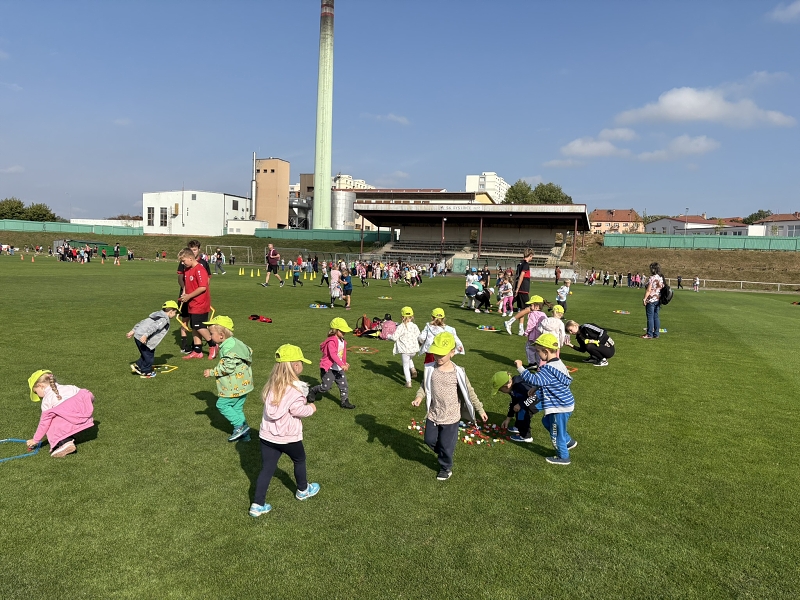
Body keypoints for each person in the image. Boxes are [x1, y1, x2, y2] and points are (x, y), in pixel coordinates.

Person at [249, 344, 319, 517]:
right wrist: (311, 408)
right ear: (296, 366)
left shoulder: (272, 386)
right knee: (299, 459)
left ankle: (257, 505)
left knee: (267, 468)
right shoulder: (296, 390)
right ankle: (303, 490)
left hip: (267, 437)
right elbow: (297, 410)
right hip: (289, 438)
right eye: (301, 362)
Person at [411, 332, 488, 480]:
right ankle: (444, 454)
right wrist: (419, 397)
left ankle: (446, 468)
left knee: (446, 445)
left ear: (452, 352)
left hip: (451, 416)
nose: (438, 358)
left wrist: (480, 409)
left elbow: (470, 392)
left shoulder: (458, 372)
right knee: (429, 440)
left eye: (442, 355)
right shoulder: (430, 369)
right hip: (434, 413)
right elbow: (424, 386)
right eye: (436, 354)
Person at [513, 333, 576, 465]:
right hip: (565, 404)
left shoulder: (548, 368)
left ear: (546, 352)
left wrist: (520, 367)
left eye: (538, 351)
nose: (538, 354)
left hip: (560, 407)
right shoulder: (557, 364)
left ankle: (563, 457)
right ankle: (568, 441)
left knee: (555, 431)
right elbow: (546, 381)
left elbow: (533, 379)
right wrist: (535, 388)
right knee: (547, 421)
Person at [202, 316, 254, 442]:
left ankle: (239, 426)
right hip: (244, 384)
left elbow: (227, 368)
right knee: (236, 408)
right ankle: (245, 436)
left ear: (221, 335)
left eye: (211, 333)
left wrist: (212, 372)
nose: (209, 336)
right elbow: (249, 350)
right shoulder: (235, 342)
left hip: (234, 385)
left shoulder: (228, 348)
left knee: (221, 404)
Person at [26, 370, 95, 458]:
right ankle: (73, 434)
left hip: (70, 424)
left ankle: (66, 443)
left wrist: (35, 440)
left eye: (36, 392)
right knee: (62, 416)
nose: (38, 395)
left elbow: (44, 423)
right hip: (85, 421)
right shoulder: (70, 387)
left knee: (51, 424)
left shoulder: (47, 400)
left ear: (40, 386)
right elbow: (88, 395)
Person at [178, 247, 217, 360]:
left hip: (200, 303)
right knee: (194, 327)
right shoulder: (187, 269)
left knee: (198, 325)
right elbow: (188, 285)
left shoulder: (200, 269)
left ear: (190, 258)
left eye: (183, 260)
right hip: (192, 303)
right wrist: (185, 294)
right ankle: (197, 350)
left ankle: (213, 345)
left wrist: (189, 296)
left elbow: (203, 287)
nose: (182, 263)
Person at [308, 317, 355, 409]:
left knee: (344, 385)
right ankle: (313, 390)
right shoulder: (331, 341)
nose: (344, 333)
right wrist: (342, 364)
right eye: (342, 331)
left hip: (338, 368)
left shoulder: (343, 341)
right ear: (335, 330)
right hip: (329, 368)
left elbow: (342, 354)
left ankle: (344, 401)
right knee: (325, 387)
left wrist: (344, 363)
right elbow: (333, 355)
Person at [127, 300, 180, 378]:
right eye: (175, 313)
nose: (175, 315)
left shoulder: (156, 315)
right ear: (171, 311)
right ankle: (146, 372)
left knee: (147, 353)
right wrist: (145, 335)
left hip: (138, 335)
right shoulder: (164, 319)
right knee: (149, 357)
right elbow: (154, 327)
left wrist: (133, 330)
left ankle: (138, 365)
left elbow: (143, 322)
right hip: (143, 338)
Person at [491, 370, 535, 443]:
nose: (501, 392)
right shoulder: (511, 388)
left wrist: (521, 404)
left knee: (523, 412)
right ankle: (518, 426)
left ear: (507, 385)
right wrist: (508, 419)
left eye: (501, 390)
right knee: (516, 406)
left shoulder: (520, 385)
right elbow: (513, 402)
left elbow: (534, 395)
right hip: (527, 398)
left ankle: (526, 436)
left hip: (539, 399)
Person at [389, 306, 421, 388]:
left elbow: (394, 337)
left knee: (405, 365)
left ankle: (408, 382)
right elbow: (419, 337)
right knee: (409, 358)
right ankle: (413, 369)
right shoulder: (414, 326)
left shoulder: (401, 326)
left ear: (402, 317)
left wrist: (388, 336)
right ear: (412, 317)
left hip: (405, 350)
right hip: (413, 350)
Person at [642, 262, 664, 339]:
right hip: (658, 299)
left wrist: (645, 299)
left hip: (651, 299)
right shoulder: (660, 278)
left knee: (650, 317)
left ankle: (649, 334)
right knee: (656, 317)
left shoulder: (652, 278)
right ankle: (656, 333)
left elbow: (648, 290)